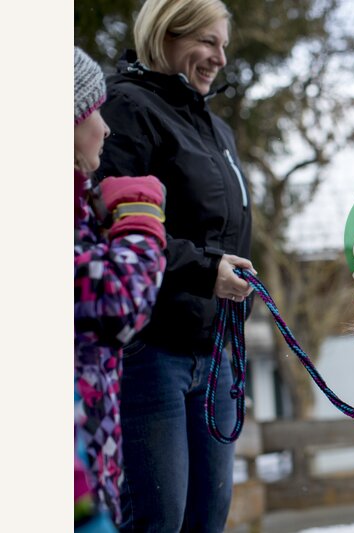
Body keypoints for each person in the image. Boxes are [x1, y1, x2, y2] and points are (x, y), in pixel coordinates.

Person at [95, 0, 255, 530]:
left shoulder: (216, 129)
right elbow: (113, 225)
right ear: (166, 34)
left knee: (208, 519)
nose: (220, 58)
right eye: (207, 42)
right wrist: (205, 270)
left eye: (223, 45)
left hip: (214, 354)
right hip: (151, 353)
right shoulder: (126, 110)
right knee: (157, 520)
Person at [74, 46, 168, 529]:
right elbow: (120, 303)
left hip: (92, 463)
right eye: (94, 111)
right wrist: (140, 212)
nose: (106, 128)